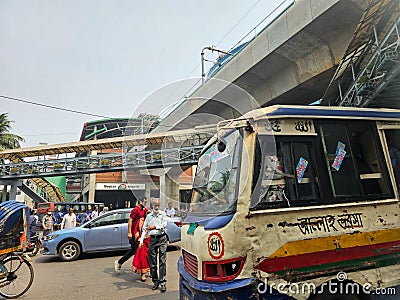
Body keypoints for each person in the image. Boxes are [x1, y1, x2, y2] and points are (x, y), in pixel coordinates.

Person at [139, 198, 168, 293]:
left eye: (158, 204)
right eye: (155, 204)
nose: (156, 206)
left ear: (160, 205)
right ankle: (155, 281)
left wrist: (154, 227)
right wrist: (141, 240)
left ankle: (163, 282)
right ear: (152, 205)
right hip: (153, 239)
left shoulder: (163, 214)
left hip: (162, 238)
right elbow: (144, 229)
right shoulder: (149, 216)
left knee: (162, 261)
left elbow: (164, 225)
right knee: (152, 262)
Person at [114, 196, 148, 274]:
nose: (145, 203)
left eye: (146, 202)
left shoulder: (143, 210)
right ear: (140, 201)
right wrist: (129, 232)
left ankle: (143, 269)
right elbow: (130, 221)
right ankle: (120, 262)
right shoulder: (135, 210)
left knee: (142, 250)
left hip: (140, 234)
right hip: (134, 234)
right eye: (144, 202)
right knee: (135, 250)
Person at [132, 210, 151, 281]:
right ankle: (143, 274)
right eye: (147, 213)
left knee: (152, 257)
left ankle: (152, 271)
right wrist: (139, 238)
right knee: (142, 257)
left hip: (151, 241)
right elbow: (136, 230)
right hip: (142, 242)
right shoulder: (140, 220)